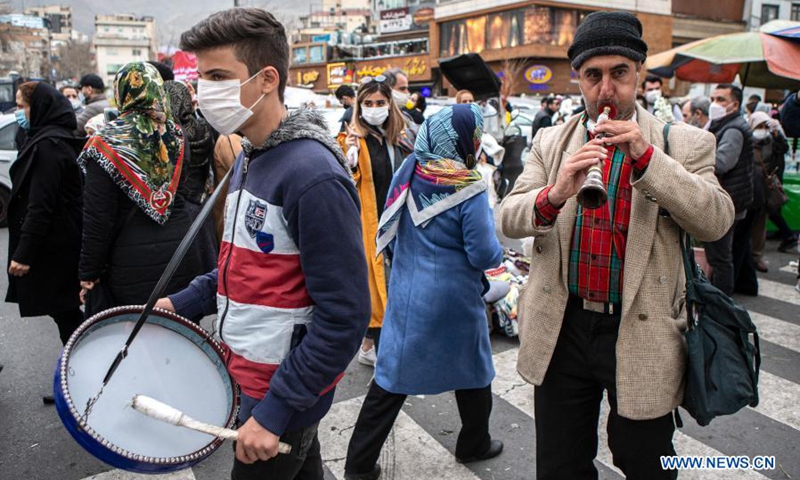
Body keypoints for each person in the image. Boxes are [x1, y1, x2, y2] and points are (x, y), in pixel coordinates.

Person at [499, 11, 734, 480]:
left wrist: (649, 159)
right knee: (561, 465)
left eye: (619, 74)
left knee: (645, 463)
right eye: (593, 76)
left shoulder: (684, 142)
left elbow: (716, 220)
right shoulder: (550, 141)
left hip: (641, 328)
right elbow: (508, 217)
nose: (606, 90)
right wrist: (555, 193)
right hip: (563, 327)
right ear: (578, 80)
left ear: (639, 74)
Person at [156, 9, 370, 479]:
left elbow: (345, 316)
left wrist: (275, 412)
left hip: (278, 394)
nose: (204, 91)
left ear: (266, 78)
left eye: (218, 76)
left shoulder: (312, 176)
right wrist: (183, 302)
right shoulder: (252, 155)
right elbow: (247, 268)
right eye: (201, 76)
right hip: (249, 381)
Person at [344, 104, 504, 480]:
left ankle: (358, 464)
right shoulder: (469, 184)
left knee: (391, 380)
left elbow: (392, 219)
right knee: (474, 371)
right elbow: (483, 253)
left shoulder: (412, 167)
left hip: (406, 290)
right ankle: (473, 443)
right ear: (467, 139)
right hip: (454, 299)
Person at [77, 62, 206, 317]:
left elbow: (98, 217)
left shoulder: (105, 142)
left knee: (136, 340)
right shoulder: (175, 133)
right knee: (182, 335)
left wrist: (88, 272)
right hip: (182, 251)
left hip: (130, 262)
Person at [5, 82, 85, 404]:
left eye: (22, 107)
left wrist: (24, 255)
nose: (20, 114)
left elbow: (41, 205)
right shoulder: (49, 139)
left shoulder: (49, 146)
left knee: (66, 314)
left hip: (56, 248)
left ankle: (82, 380)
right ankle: (77, 378)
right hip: (61, 243)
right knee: (65, 314)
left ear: (37, 108)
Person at [339, 75, 411, 367]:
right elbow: (345, 181)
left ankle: (369, 347)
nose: (374, 108)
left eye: (380, 102)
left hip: (399, 223)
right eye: (368, 103)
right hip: (368, 227)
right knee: (380, 292)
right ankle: (387, 359)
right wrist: (350, 156)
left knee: (392, 289)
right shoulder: (350, 139)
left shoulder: (399, 137)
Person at [705, 84, 755, 296]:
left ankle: (721, 305)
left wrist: (696, 155)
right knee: (727, 253)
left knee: (720, 258)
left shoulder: (733, 129)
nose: (714, 104)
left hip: (729, 201)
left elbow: (723, 162)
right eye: (713, 99)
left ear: (734, 105)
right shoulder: (724, 124)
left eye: (721, 100)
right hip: (732, 198)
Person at [163, 80, 219, 271]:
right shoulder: (203, 126)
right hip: (202, 201)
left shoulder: (169, 132)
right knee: (207, 255)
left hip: (179, 205)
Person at [749, 111, 791, 273]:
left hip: (765, 189)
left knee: (760, 225)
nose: (762, 129)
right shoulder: (746, 140)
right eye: (759, 126)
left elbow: (783, 148)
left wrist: (777, 132)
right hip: (749, 187)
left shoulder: (771, 141)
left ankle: (756, 256)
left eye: (765, 126)